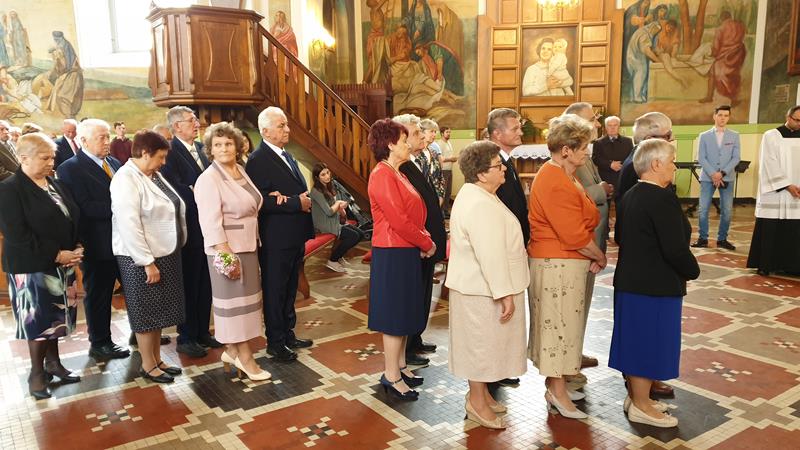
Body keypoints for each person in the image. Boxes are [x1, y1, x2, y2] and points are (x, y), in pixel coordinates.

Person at [611, 138, 700, 428]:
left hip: (632, 282)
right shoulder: (661, 198)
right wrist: (693, 270)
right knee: (648, 344)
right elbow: (674, 249)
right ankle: (641, 405)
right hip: (654, 286)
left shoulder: (631, 194)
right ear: (656, 164)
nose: (674, 167)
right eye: (672, 161)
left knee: (636, 341)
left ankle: (638, 399)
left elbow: (620, 237)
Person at [527, 114, 606, 420]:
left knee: (563, 327)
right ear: (566, 150)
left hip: (563, 262)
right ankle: (558, 393)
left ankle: (556, 386)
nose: (588, 152)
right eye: (583, 146)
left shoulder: (565, 174)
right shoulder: (553, 178)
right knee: (558, 329)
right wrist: (599, 255)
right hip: (556, 264)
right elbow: (573, 235)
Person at [446, 140, 528, 430]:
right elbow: (490, 254)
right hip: (481, 289)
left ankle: (481, 396)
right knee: (480, 348)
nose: (503, 168)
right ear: (481, 173)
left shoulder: (480, 194)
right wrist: (504, 293)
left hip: (480, 287)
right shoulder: (479, 203)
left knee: (486, 346)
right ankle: (477, 403)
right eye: (497, 165)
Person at [0, 132, 83, 399]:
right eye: (45, 158)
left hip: (62, 263)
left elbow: (71, 215)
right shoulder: (10, 189)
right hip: (31, 268)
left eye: (52, 157)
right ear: (24, 158)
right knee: (37, 323)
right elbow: (17, 234)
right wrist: (57, 255)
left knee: (55, 319)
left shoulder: (53, 183)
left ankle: (54, 364)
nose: (51, 163)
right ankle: (36, 374)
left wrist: (77, 245)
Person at [195, 122, 271, 381]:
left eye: (228, 143)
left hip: (248, 246)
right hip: (227, 251)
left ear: (237, 147)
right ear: (210, 150)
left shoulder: (240, 170)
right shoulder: (208, 179)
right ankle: (246, 359)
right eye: (217, 145)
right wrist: (227, 256)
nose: (223, 148)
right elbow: (210, 223)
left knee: (246, 308)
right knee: (234, 310)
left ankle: (231, 351)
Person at [367, 118, 435, 401]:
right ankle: (391, 376)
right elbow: (398, 220)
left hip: (404, 249)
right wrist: (426, 242)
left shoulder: (397, 173)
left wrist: (422, 238)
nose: (409, 144)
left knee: (404, 311)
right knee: (395, 316)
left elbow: (412, 215)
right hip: (392, 252)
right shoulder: (382, 174)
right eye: (404, 140)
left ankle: (401, 366)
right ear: (391, 144)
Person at [110, 130, 186, 384]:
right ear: (144, 153)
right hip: (139, 258)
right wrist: (147, 262)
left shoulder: (151, 174)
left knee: (159, 311)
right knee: (146, 313)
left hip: (162, 252)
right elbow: (129, 224)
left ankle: (157, 359)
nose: (163, 162)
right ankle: (148, 365)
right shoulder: (125, 179)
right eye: (160, 157)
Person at [56, 119, 130, 361]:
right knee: (100, 294)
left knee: (133, 290)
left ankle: (141, 331)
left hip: (125, 240)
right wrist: (124, 208)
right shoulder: (70, 168)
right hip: (97, 243)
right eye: (102, 137)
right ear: (83, 141)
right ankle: (100, 342)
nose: (107, 141)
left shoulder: (114, 162)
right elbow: (83, 207)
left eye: (108, 136)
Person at [245, 106, 314, 362]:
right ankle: (275, 341)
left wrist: (300, 199)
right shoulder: (258, 160)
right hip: (276, 237)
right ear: (265, 131)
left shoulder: (286, 155)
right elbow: (258, 200)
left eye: (286, 124)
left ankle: (288, 333)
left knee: (290, 287)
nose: (287, 129)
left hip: (294, 234)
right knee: (275, 289)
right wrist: (296, 203)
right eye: (281, 125)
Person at [162, 106, 220, 358]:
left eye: (195, 119)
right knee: (189, 284)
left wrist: (200, 190)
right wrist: (198, 192)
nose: (197, 124)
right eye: (191, 120)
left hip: (208, 226)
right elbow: (174, 189)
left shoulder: (200, 149)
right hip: (189, 229)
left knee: (206, 283)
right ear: (177, 126)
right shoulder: (170, 153)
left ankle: (202, 331)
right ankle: (186, 336)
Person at [395, 114, 447, 367]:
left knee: (424, 292)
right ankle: (407, 347)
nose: (421, 136)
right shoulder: (400, 167)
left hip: (427, 243)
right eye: (415, 133)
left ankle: (416, 338)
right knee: (413, 296)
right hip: (417, 245)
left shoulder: (414, 161)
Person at [564, 102, 611, 374]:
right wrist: (602, 189)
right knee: (575, 302)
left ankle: (576, 351)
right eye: (592, 119)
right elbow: (573, 197)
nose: (597, 124)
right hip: (582, 243)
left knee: (583, 300)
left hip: (592, 238)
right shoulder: (571, 158)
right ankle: (570, 357)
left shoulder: (585, 153)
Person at [746, 106, 800, 276]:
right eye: (797, 120)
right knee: (771, 228)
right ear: (788, 117)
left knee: (794, 230)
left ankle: (792, 266)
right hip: (775, 193)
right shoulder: (771, 135)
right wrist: (786, 185)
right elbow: (768, 162)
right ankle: (766, 265)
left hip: (797, 193)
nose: (799, 124)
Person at [692, 105, 740, 250]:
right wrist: (714, 174)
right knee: (703, 209)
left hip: (727, 177)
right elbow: (701, 157)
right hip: (708, 177)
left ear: (729, 118)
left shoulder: (734, 135)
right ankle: (703, 238)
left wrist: (722, 173)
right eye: (720, 115)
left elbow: (736, 158)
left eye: (726, 115)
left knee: (727, 211)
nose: (723, 118)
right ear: (714, 116)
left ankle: (722, 239)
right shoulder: (704, 135)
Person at [310, 162, 366, 273]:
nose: (327, 176)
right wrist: (339, 203)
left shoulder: (328, 187)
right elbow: (329, 211)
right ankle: (333, 260)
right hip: (324, 224)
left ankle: (338, 256)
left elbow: (333, 209)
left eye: (327, 172)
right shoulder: (315, 191)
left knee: (360, 234)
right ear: (317, 177)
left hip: (333, 220)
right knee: (353, 236)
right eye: (323, 175)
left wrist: (340, 209)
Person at [700, 11, 746, 106]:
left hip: (724, 59)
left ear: (721, 19)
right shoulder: (740, 26)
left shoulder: (720, 29)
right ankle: (734, 99)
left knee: (712, 72)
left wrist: (709, 54)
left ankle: (709, 97)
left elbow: (716, 49)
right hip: (737, 56)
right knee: (735, 75)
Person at [592, 116, 634, 192]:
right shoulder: (598, 142)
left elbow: (632, 158)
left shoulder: (628, 141)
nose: (612, 128)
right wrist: (610, 164)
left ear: (619, 127)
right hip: (605, 177)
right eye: (610, 125)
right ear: (606, 127)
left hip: (623, 175)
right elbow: (595, 159)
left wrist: (621, 165)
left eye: (615, 125)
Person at [626, 21, 661, 103]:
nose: (655, 33)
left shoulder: (643, 31)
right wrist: (658, 61)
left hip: (633, 56)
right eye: (655, 31)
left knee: (638, 76)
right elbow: (646, 51)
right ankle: (637, 97)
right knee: (640, 75)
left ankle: (636, 96)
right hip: (636, 58)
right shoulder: (644, 35)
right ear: (652, 28)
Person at [420, 118, 446, 206]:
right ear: (422, 132)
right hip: (422, 200)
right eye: (431, 131)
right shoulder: (416, 154)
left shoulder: (434, 153)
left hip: (436, 199)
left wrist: (441, 196)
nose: (434, 134)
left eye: (435, 132)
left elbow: (440, 176)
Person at [436, 126, 457, 215]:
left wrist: (453, 159)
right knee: (443, 192)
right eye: (447, 132)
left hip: (449, 170)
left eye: (449, 132)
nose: (449, 134)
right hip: (443, 170)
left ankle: (446, 210)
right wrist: (450, 159)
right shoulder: (439, 144)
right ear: (442, 133)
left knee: (448, 191)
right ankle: (441, 211)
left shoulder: (448, 143)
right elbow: (439, 159)